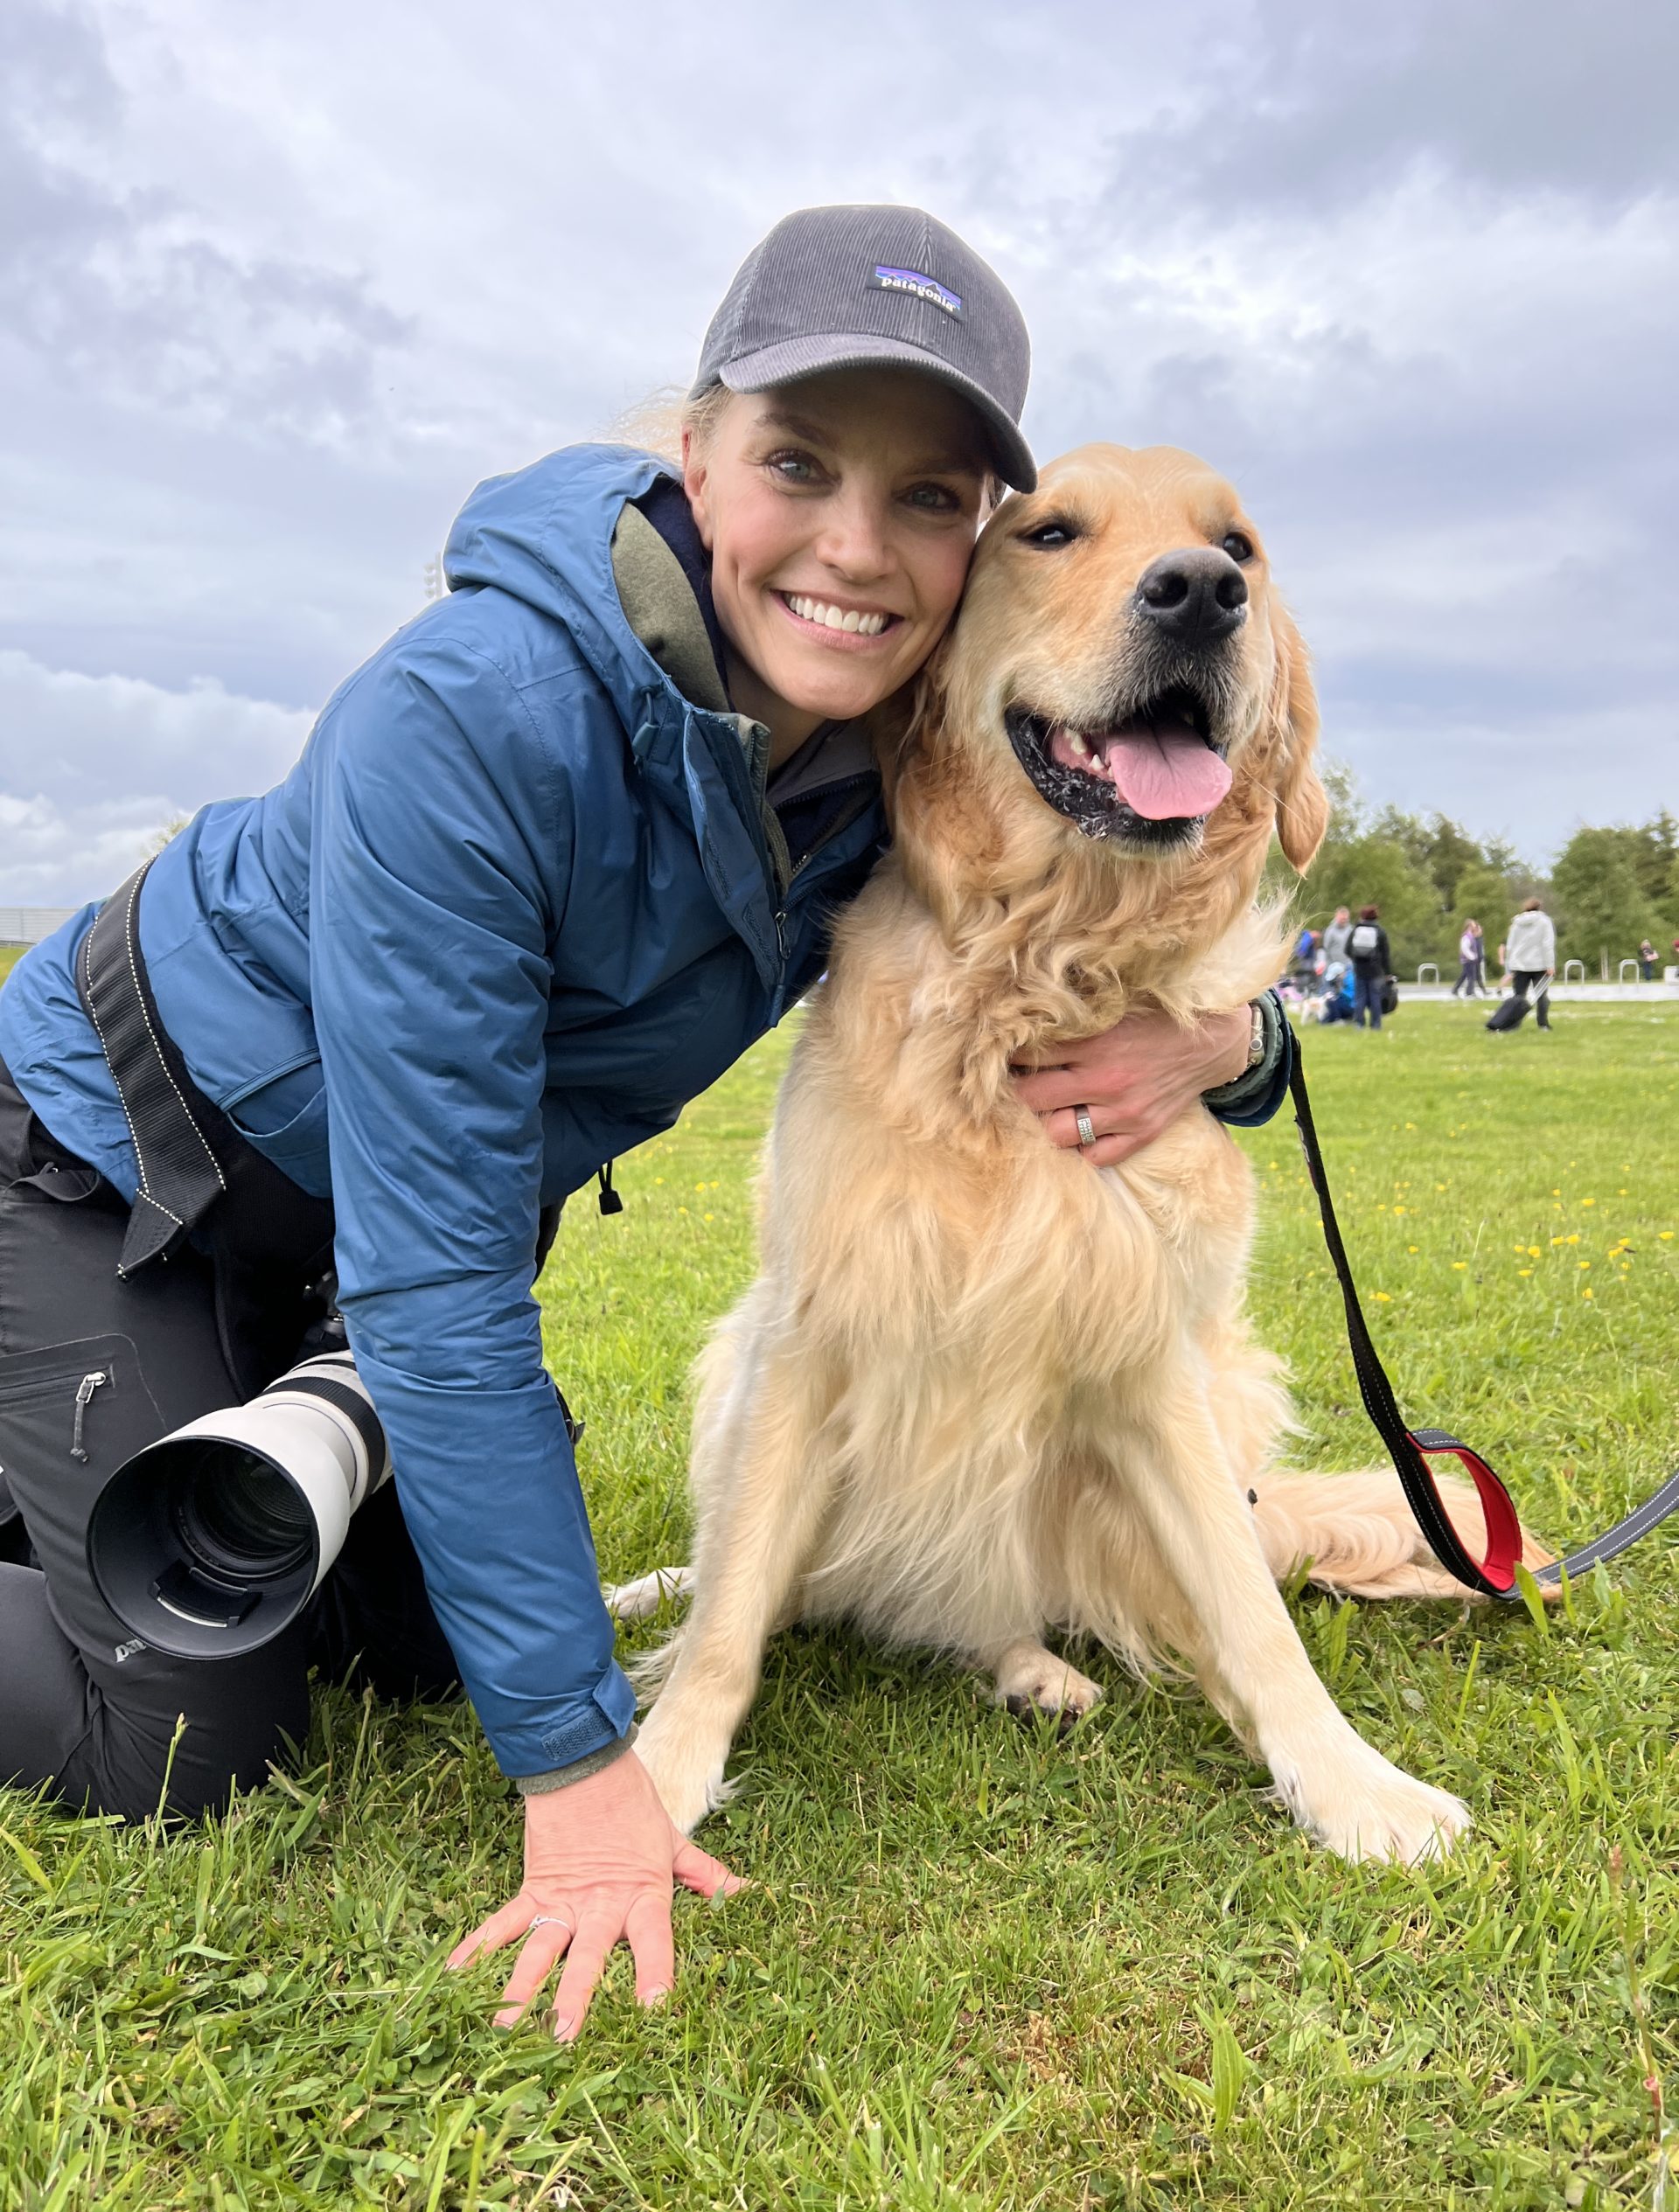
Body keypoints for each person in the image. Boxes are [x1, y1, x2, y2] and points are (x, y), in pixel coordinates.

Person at [0, 205, 1296, 2040]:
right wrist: (581, 1777)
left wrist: (1228, 1046)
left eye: (929, 498)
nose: (855, 546)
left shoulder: (887, 740)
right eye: (797, 464)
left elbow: (1076, 933)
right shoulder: (469, 716)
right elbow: (442, 1287)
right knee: (188, 1736)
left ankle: (80, 1447)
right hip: (104, 1156)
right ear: (693, 454)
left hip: (335, 1223)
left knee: (419, 1652)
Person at [1503, 894, 1556, 1029]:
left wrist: (1509, 965)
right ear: (1540, 907)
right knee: (1541, 996)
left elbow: (1510, 945)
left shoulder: (1517, 923)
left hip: (1519, 964)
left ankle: (1513, 1024)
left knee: (1518, 996)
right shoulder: (1545, 921)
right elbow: (1547, 944)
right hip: (1540, 964)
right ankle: (1543, 1024)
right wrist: (1550, 964)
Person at [1347, 904, 1391, 1031]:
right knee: (1375, 997)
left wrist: (1356, 960)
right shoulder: (1380, 931)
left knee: (1360, 997)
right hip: (1375, 970)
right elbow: (1386, 954)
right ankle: (1376, 1025)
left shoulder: (1356, 930)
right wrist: (1387, 972)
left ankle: (1359, 1024)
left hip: (1359, 970)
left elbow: (1347, 949)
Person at [1320, 906, 1353, 973]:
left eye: (1345, 918)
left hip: (1348, 966)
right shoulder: (1330, 930)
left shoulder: (1350, 930)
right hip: (1333, 966)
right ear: (1337, 917)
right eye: (1342, 918)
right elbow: (1326, 948)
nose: (1344, 920)